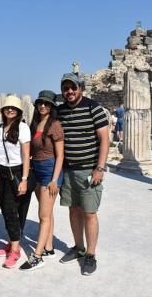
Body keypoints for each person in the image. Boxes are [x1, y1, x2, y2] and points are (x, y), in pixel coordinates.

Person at [57, 73, 109, 276]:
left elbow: (104, 138)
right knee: (73, 209)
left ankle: (90, 254)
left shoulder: (93, 107)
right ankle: (78, 248)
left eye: (73, 88)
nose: (69, 91)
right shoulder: (60, 110)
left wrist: (100, 168)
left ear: (80, 88)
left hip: (89, 169)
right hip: (69, 170)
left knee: (89, 213)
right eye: (65, 88)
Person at [19, 90, 64, 271]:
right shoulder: (35, 123)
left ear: (52, 106)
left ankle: (37, 256)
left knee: (43, 215)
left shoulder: (55, 125)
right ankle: (49, 248)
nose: (42, 106)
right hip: (36, 169)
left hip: (49, 170)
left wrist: (54, 179)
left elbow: (60, 155)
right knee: (48, 212)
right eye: (40, 103)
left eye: (46, 103)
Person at [0, 95, 31, 268]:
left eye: (13, 108)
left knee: (11, 211)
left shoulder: (23, 128)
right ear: (3, 110)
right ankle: (11, 242)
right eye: (7, 107)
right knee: (4, 210)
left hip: (15, 172)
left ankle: (15, 250)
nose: (10, 110)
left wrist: (24, 179)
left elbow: (26, 155)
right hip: (0, 173)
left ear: (18, 112)